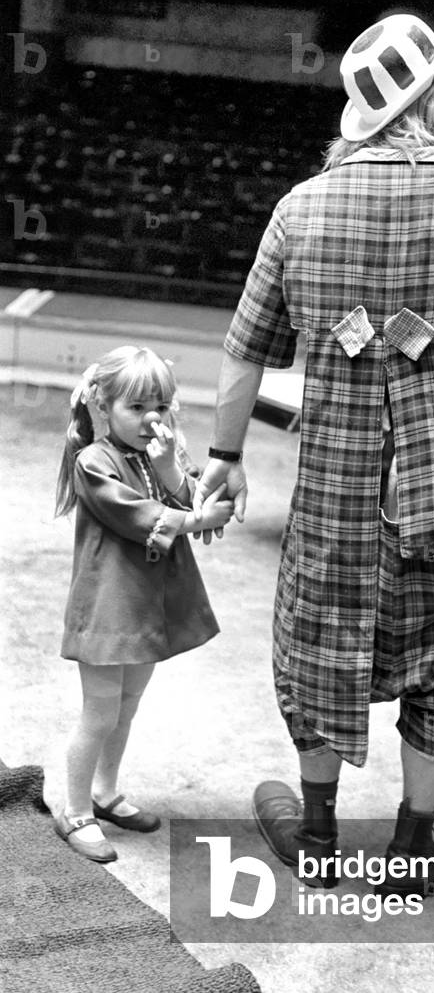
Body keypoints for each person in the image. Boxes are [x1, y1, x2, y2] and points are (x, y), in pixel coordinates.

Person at [194, 13, 434, 894]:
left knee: (315, 648)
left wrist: (224, 453)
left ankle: (321, 837)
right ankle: (411, 847)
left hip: (332, 504)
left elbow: (245, 348)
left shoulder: (302, 206)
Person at [54, 345, 232, 863]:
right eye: (137, 408)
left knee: (127, 707)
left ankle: (106, 793)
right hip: (109, 608)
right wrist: (199, 517)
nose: (153, 419)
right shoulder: (95, 461)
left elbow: (193, 495)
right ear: (102, 407)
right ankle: (75, 808)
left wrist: (174, 473)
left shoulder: (162, 454)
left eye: (162, 406)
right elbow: (147, 517)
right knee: (99, 713)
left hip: (144, 607)